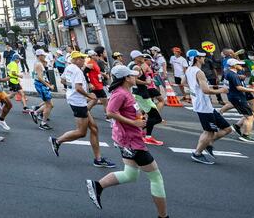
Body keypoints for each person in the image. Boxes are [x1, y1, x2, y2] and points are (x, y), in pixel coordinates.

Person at [86, 65, 168, 218]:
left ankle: (97, 186)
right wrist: (134, 123)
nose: (135, 78)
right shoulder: (120, 94)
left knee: (130, 174)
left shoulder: (127, 92)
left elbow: (127, 111)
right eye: (132, 75)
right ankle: (163, 216)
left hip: (129, 139)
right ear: (126, 78)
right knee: (156, 178)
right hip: (131, 141)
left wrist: (139, 117)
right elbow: (110, 112)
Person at [49, 51, 114, 167]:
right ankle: (57, 141)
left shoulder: (69, 68)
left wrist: (71, 88)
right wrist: (89, 96)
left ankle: (98, 159)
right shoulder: (77, 71)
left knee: (94, 128)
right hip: (78, 102)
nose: (83, 61)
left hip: (76, 100)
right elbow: (78, 88)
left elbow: (63, 80)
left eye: (83, 58)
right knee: (81, 132)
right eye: (81, 59)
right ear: (75, 59)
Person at [184, 49, 233, 164]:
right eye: (201, 56)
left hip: (205, 105)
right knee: (208, 131)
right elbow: (205, 90)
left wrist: (194, 88)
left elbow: (183, 82)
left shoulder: (189, 70)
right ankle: (197, 153)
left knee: (227, 129)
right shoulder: (198, 72)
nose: (204, 58)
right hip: (203, 106)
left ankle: (207, 144)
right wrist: (221, 90)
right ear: (197, 58)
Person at [129, 51, 164, 146]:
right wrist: (147, 83)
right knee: (156, 118)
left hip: (142, 94)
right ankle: (145, 135)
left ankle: (140, 132)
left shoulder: (137, 66)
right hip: (141, 95)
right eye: (141, 56)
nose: (143, 57)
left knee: (150, 116)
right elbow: (134, 81)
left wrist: (148, 80)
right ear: (136, 58)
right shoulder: (136, 67)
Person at [224, 57, 254, 142]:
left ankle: (237, 126)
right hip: (238, 97)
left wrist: (239, 77)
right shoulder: (233, 75)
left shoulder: (228, 72)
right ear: (234, 65)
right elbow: (239, 88)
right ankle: (245, 135)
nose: (241, 65)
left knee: (250, 115)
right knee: (250, 117)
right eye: (238, 64)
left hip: (233, 96)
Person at [31, 49, 54, 130]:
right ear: (39, 56)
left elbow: (40, 75)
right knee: (49, 105)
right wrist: (49, 86)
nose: (45, 56)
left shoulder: (38, 63)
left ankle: (36, 113)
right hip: (41, 85)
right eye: (43, 55)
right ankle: (42, 123)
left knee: (49, 104)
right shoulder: (38, 64)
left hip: (40, 85)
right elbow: (40, 78)